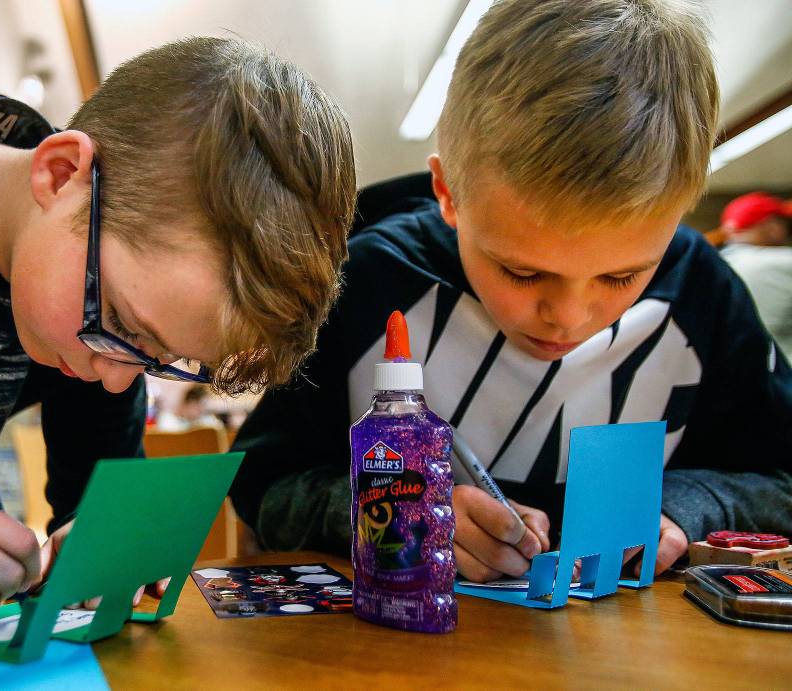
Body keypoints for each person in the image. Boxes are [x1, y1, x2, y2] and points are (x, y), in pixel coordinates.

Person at [0, 37, 356, 643]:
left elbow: (101, 499)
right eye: (126, 327)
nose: (117, 378)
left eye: (163, 359)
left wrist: (106, 549)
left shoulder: (88, 290)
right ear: (60, 174)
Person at [231, 0, 792, 584]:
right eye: (523, 274)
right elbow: (263, 486)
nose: (568, 320)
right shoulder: (367, 280)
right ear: (448, 192)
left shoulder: (703, 292)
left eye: (622, 277)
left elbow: (780, 480)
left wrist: (686, 507)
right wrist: (389, 512)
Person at [718, 191, 792, 359]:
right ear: (772, 228)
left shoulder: (716, 262)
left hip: (731, 371)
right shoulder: (784, 262)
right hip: (781, 372)